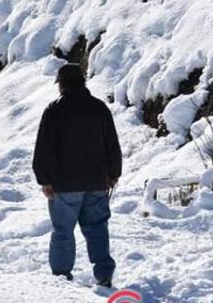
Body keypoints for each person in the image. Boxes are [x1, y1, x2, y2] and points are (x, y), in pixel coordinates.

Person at [32, 63, 122, 288]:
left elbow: (44, 148)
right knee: (97, 229)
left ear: (62, 84)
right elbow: (112, 144)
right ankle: (103, 275)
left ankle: (62, 277)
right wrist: (113, 174)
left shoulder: (54, 110)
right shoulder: (99, 108)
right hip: (96, 182)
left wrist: (44, 180)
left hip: (64, 185)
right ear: (82, 82)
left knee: (63, 231)